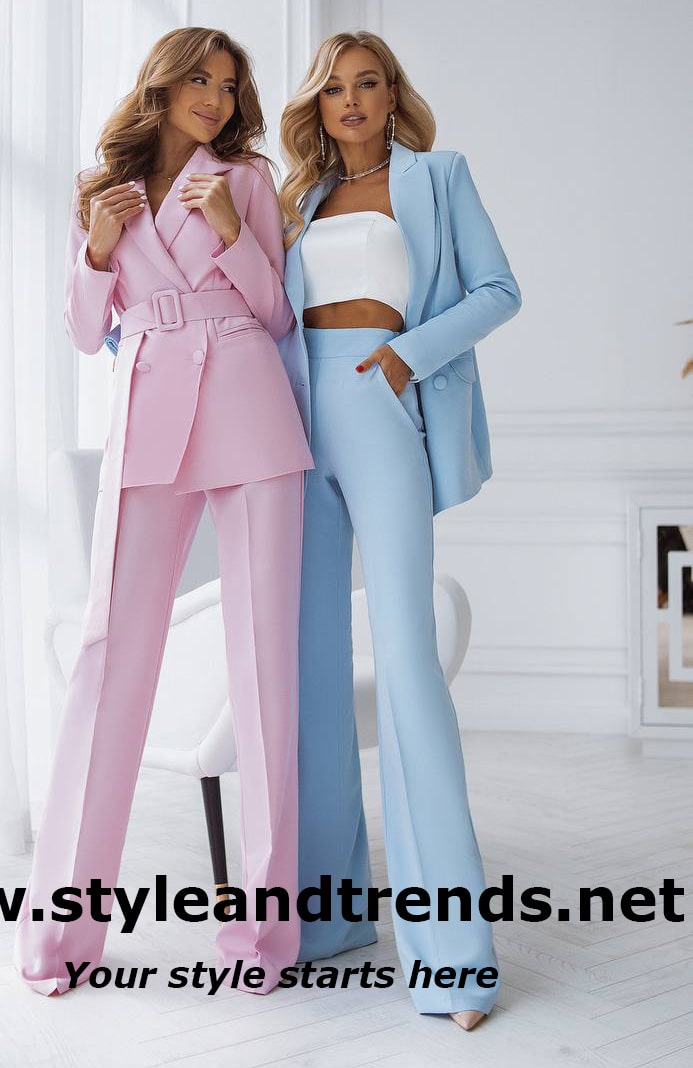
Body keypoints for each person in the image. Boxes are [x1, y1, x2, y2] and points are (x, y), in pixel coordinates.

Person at [14, 26, 313, 997]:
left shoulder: (251, 183)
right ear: (164, 83)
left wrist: (230, 228)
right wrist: (98, 250)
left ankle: (262, 939)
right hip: (147, 420)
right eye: (201, 80)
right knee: (109, 660)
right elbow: (82, 330)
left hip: (252, 414)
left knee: (263, 667)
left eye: (230, 87)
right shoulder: (103, 190)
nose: (217, 99)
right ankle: (61, 933)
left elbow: (275, 313)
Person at [278, 30, 522, 1030]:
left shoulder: (438, 177)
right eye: (331, 88)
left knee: (408, 668)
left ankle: (455, 960)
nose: (349, 100)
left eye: (366, 83)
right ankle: (328, 923)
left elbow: (498, 291)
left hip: (381, 404)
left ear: (391, 95)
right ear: (317, 103)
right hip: (296, 421)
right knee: (312, 673)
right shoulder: (295, 201)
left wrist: (401, 361)